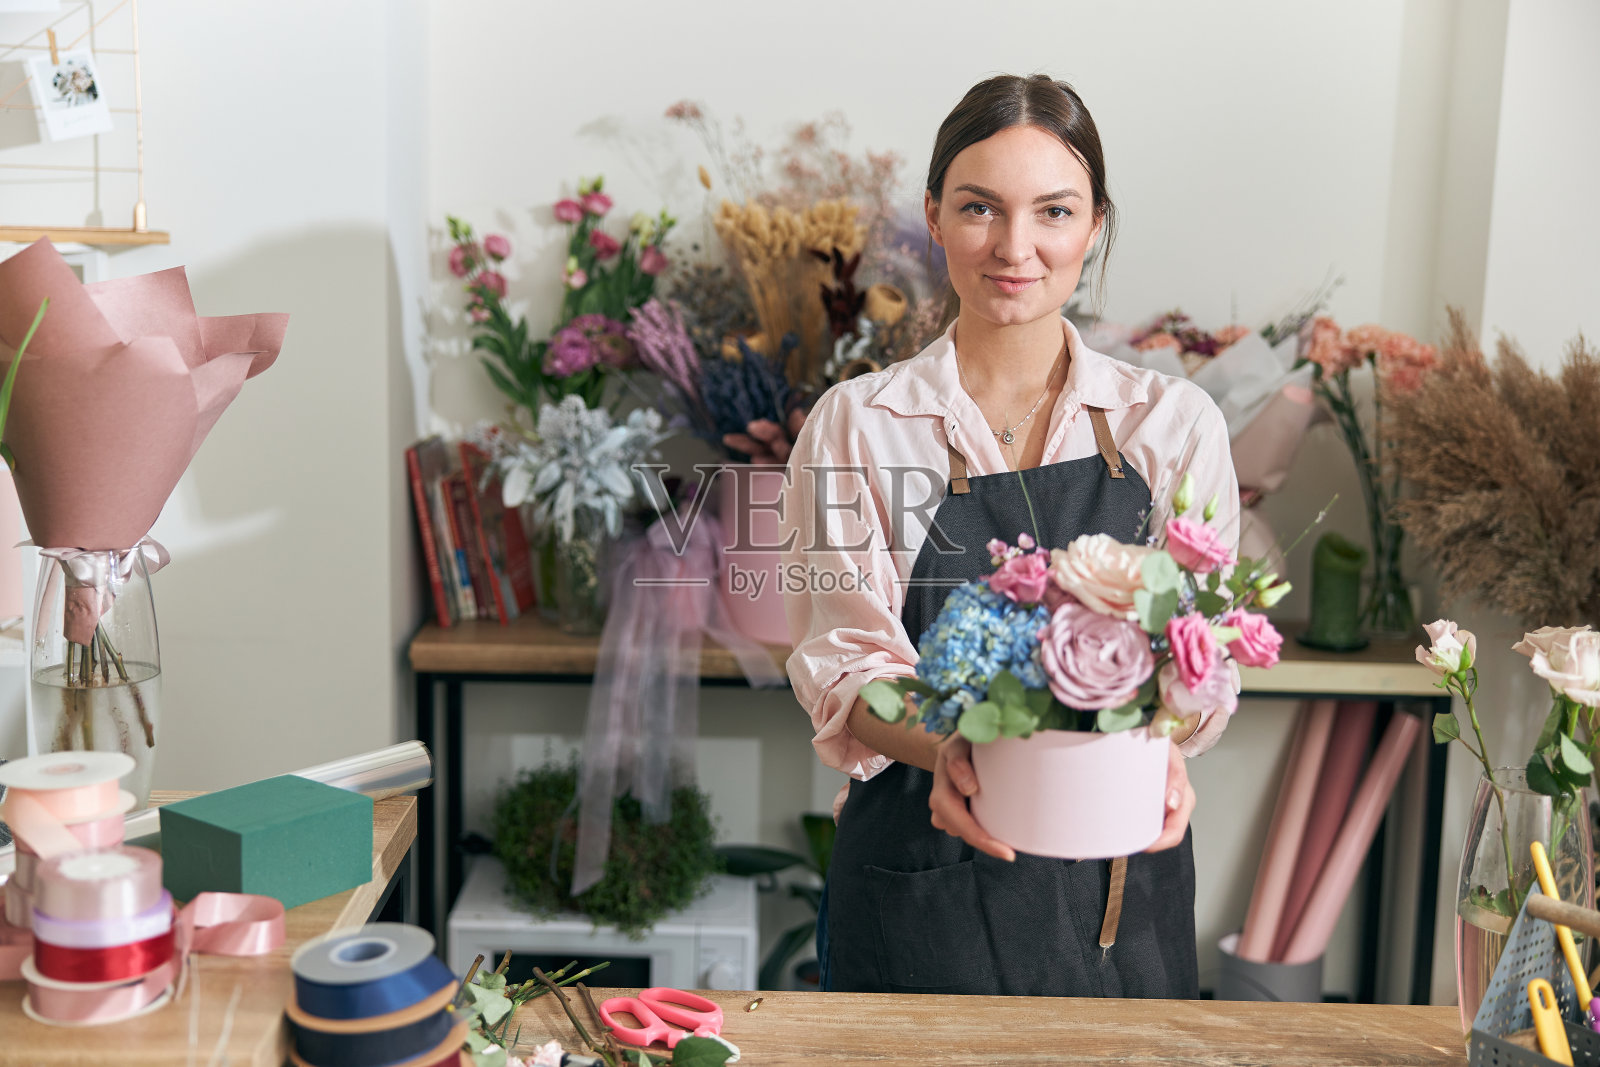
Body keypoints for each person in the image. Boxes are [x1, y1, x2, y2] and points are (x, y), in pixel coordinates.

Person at [780, 74, 1240, 997]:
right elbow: (848, 668)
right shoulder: (859, 425)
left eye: (1054, 212)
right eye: (980, 208)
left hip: (1120, 890)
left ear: (1095, 224)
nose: (1015, 247)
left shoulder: (1172, 425)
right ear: (934, 215)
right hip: (921, 879)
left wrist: (1167, 736)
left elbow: (1201, 650)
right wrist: (956, 748)